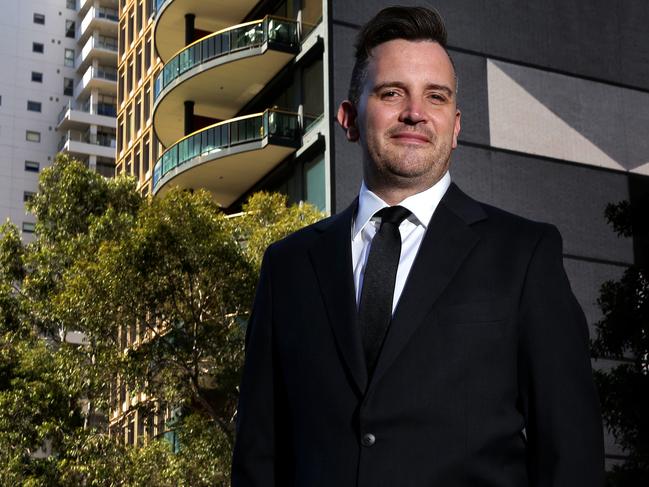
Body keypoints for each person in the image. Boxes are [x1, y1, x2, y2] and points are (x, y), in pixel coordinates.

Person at [232, 6, 605, 486]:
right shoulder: (288, 267)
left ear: (456, 127)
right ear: (348, 118)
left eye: (436, 96)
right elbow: (259, 457)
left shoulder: (524, 255)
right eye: (392, 93)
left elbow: (570, 454)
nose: (415, 113)